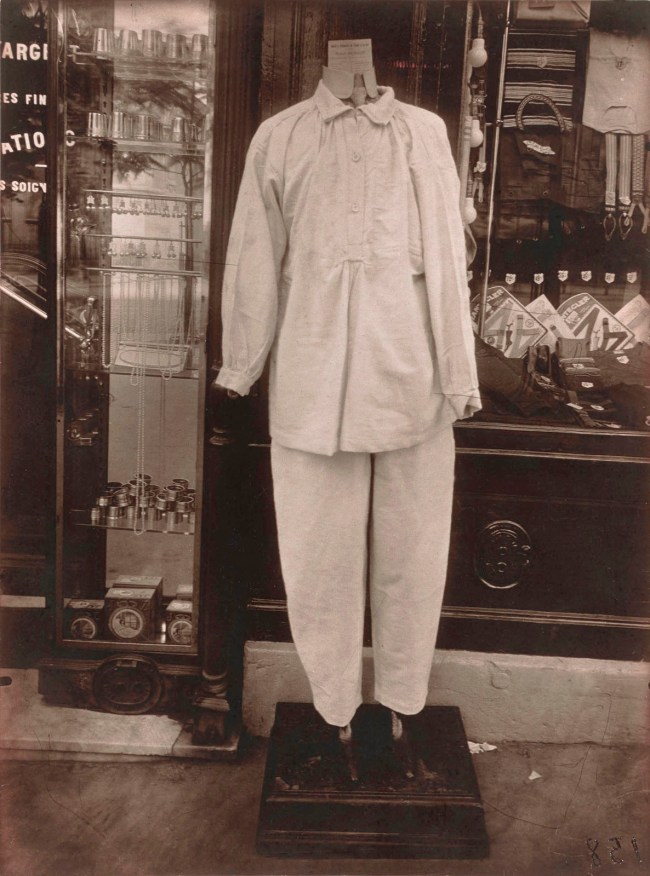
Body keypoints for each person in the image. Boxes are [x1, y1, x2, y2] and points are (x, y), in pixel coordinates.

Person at [216, 69, 481, 779]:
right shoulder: (281, 138)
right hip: (311, 385)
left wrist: (460, 375)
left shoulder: (422, 134)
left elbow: (450, 264)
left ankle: (400, 704)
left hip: (411, 384)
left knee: (413, 560)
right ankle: (333, 709)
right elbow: (253, 256)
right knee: (318, 560)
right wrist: (242, 362)